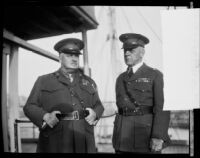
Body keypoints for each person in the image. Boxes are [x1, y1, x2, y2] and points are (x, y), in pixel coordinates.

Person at [23, 38, 104, 153]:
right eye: (69, 55)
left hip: (83, 138)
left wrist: (95, 114)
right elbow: (29, 107)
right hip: (55, 139)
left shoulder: (89, 82)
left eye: (76, 55)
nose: (74, 59)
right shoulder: (44, 80)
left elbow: (99, 105)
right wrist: (45, 116)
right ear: (60, 57)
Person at [112, 33, 171, 154]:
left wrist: (158, 136)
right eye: (125, 50)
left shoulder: (155, 75)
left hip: (144, 136)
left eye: (131, 50)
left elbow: (162, 108)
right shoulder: (120, 78)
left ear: (142, 53)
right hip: (121, 137)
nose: (126, 53)